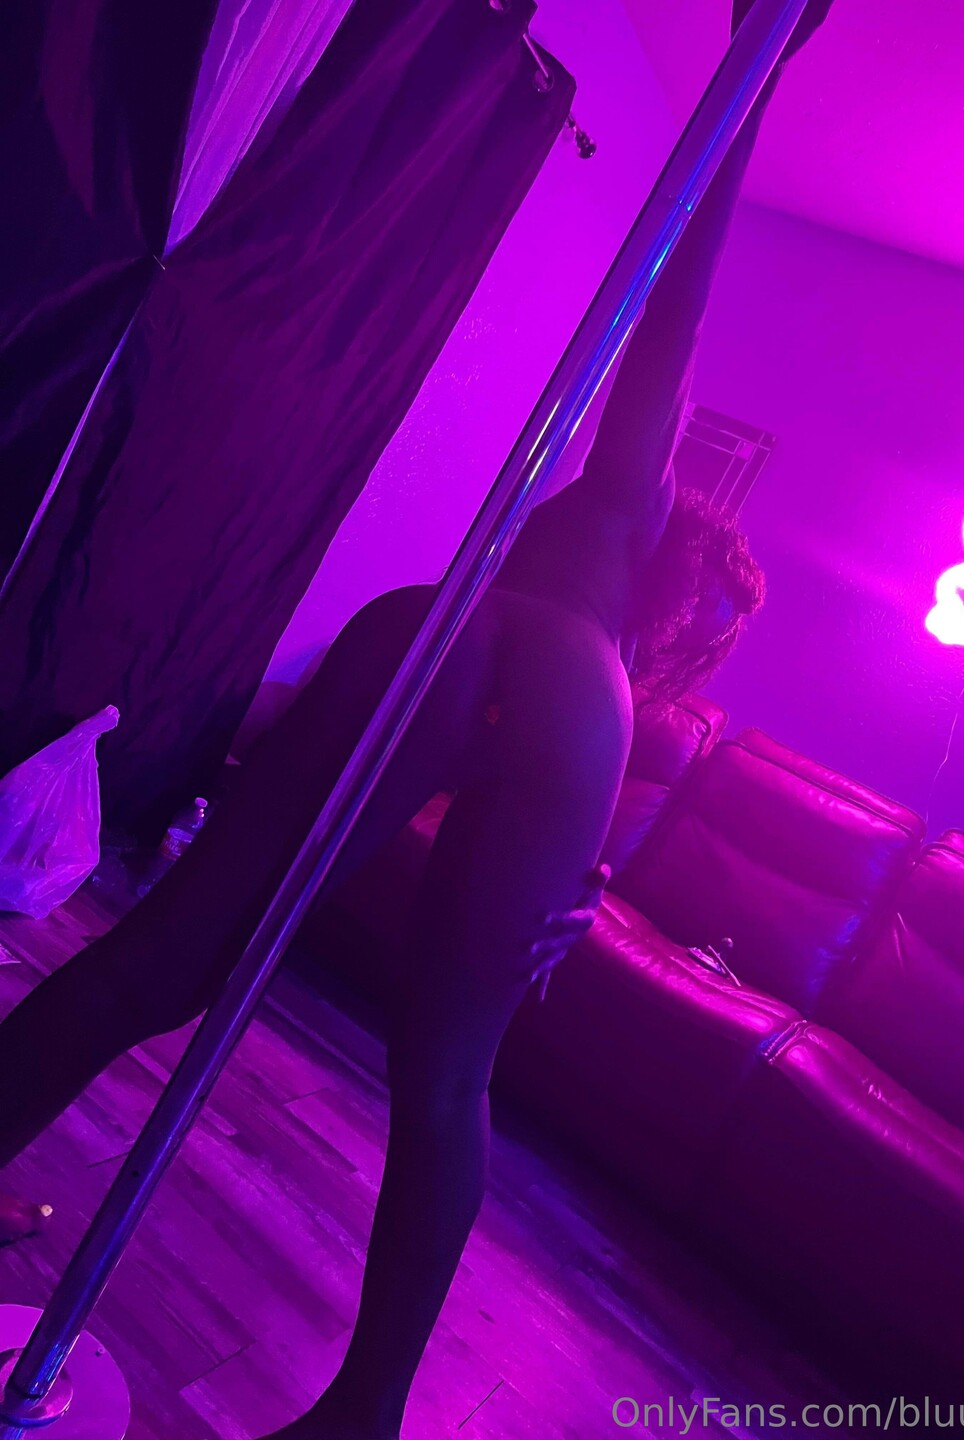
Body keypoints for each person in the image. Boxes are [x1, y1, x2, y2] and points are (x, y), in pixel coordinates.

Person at [0, 5, 831, 1435]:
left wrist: (756, 77)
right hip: (556, 710)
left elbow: (671, 325)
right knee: (448, 1083)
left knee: (162, 958)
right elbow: (669, 337)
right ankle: (366, 1415)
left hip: (439, 633)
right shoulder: (623, 619)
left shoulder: (613, 525)